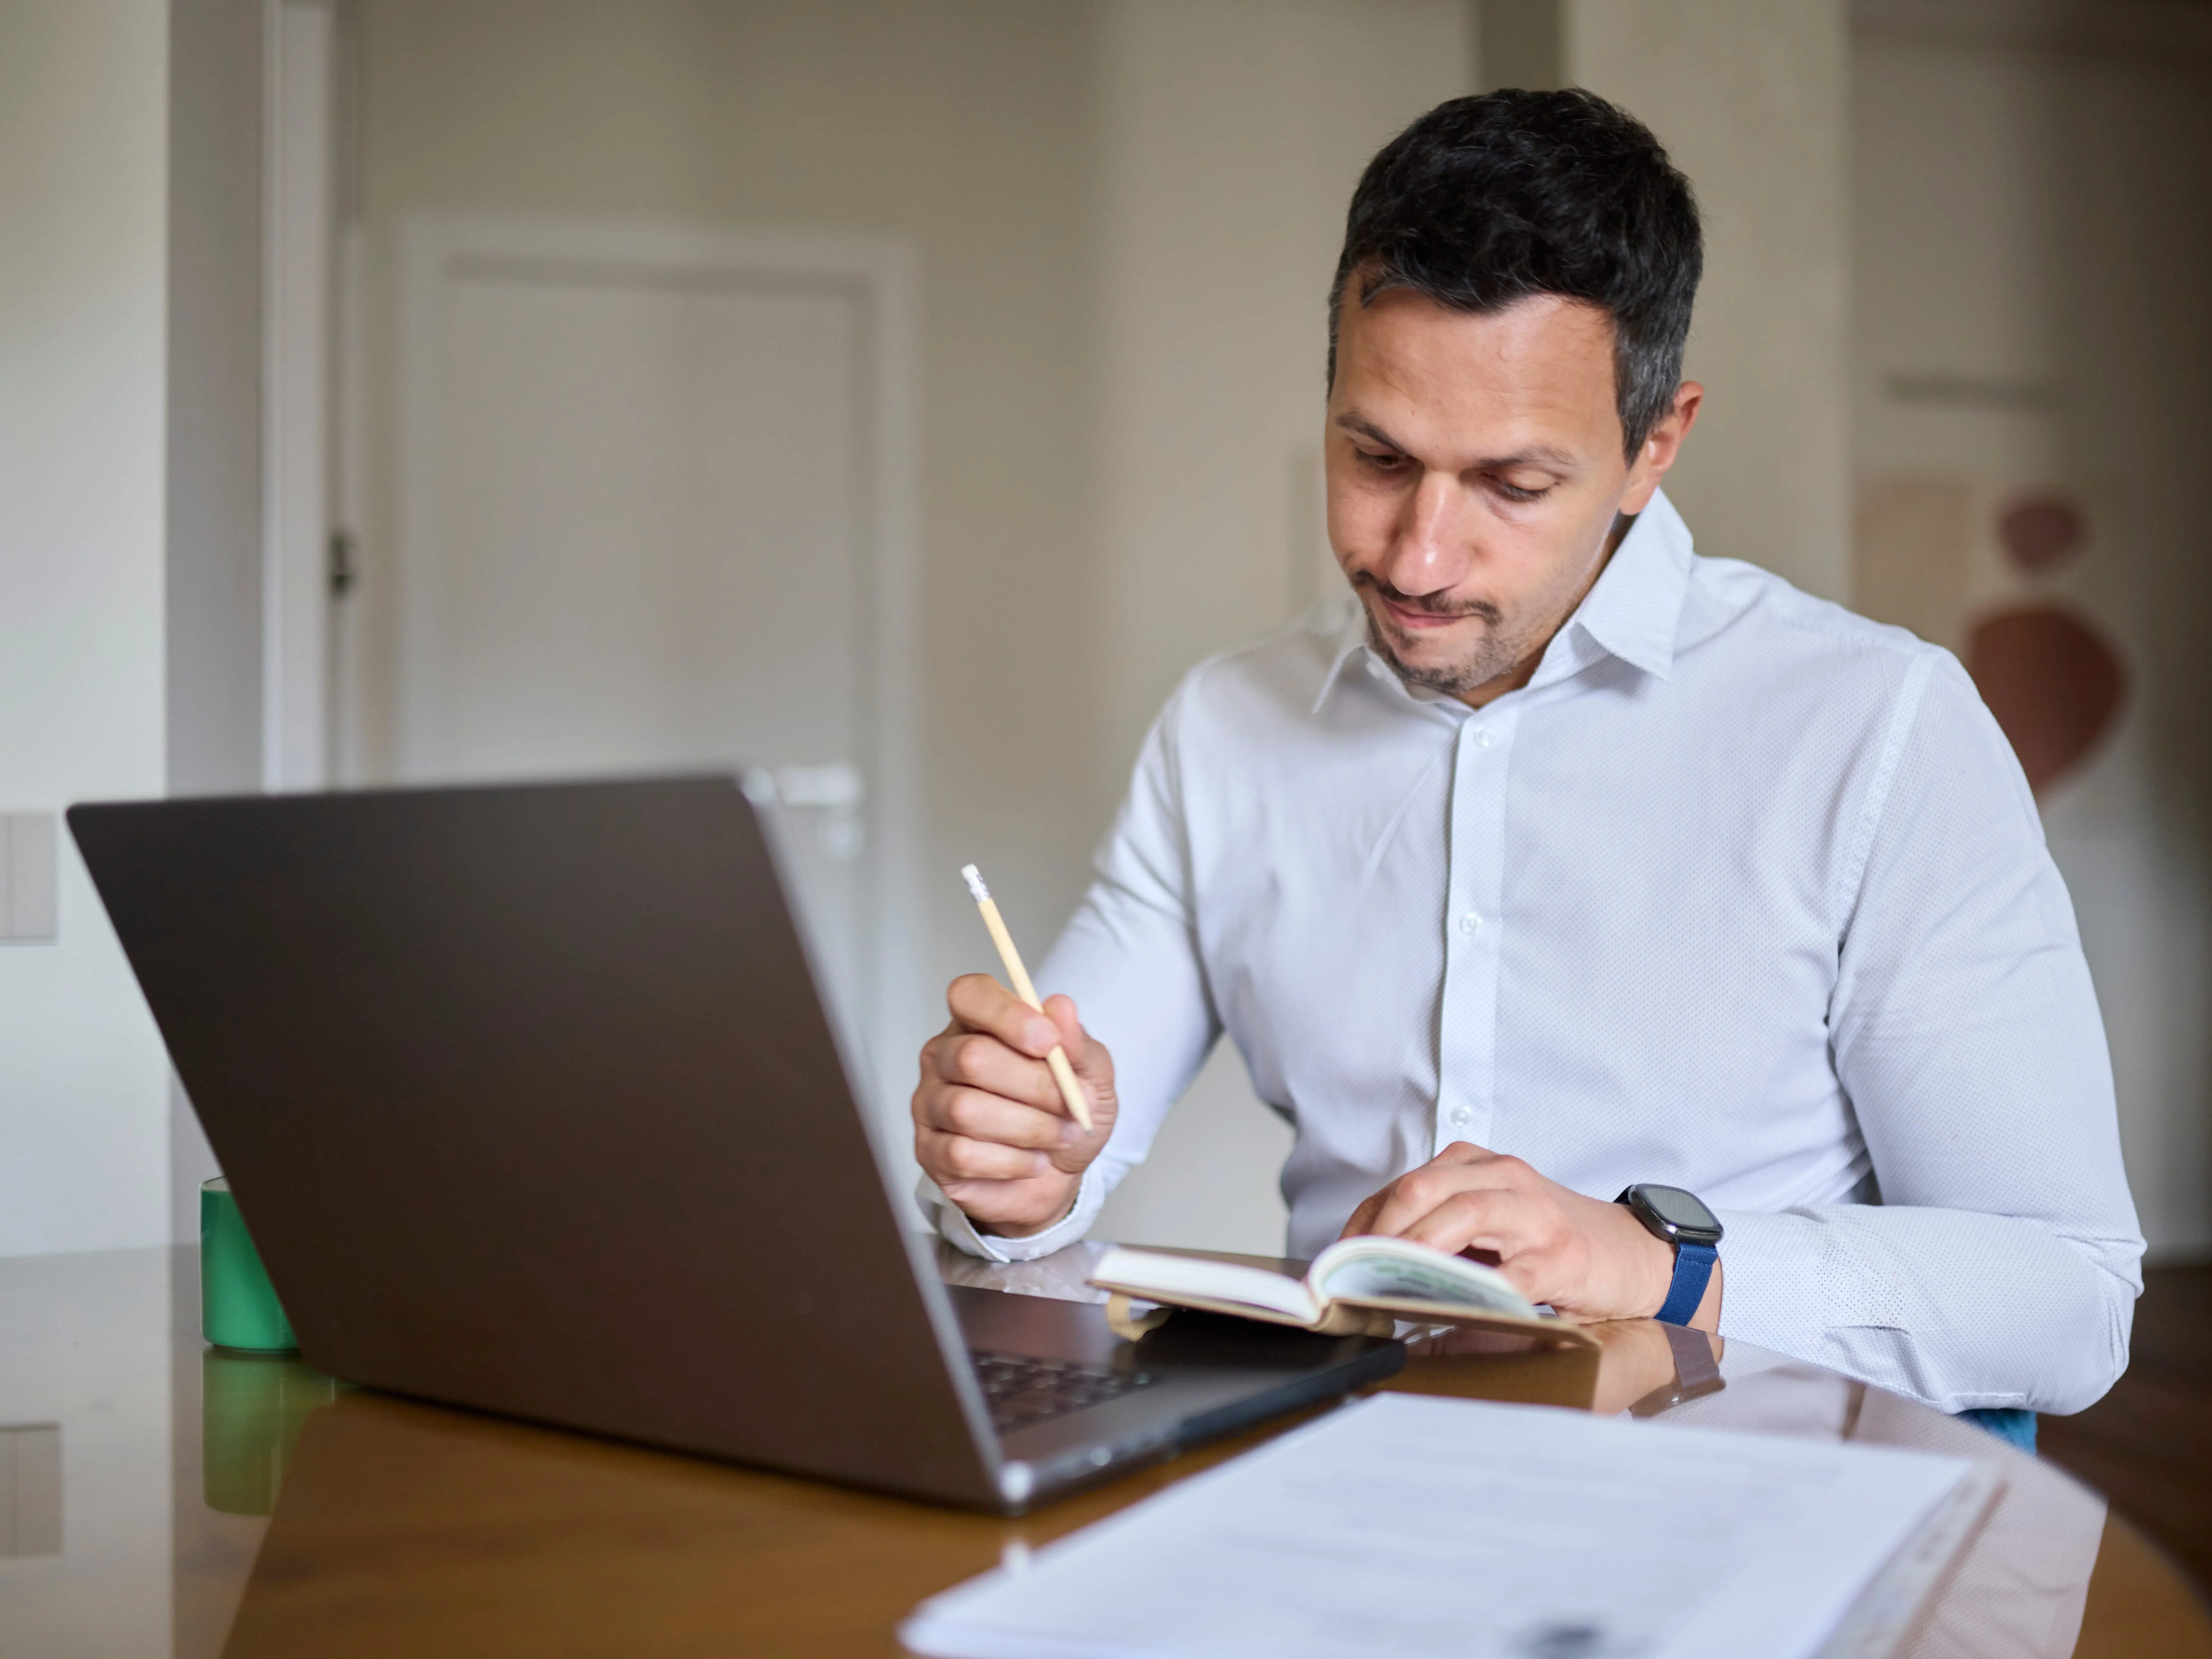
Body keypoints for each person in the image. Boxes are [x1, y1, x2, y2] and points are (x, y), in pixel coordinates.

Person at [910, 89, 2142, 1422]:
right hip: (1350, 1489)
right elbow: (1050, 1150)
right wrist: (1012, 1170)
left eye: (1511, 484)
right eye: (1376, 454)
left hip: (1744, 1529)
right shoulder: (1225, 730)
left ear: (1653, 447)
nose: (1416, 556)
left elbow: (2067, 1300)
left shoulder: (1878, 727)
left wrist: (1656, 1267)